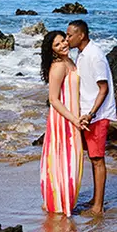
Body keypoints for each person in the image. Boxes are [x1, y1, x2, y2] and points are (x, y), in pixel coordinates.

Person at [65, 19, 116, 215]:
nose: (67, 38)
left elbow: (104, 89)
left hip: (97, 115)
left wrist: (91, 114)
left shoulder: (95, 55)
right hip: (86, 113)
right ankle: (95, 199)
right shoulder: (82, 53)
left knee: (97, 159)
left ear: (82, 35)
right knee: (92, 158)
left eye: (70, 35)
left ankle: (98, 207)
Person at [39, 30, 86, 215]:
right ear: (52, 50)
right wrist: (74, 119)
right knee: (64, 159)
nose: (63, 45)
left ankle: (64, 200)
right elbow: (53, 99)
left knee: (71, 159)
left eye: (63, 41)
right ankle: (58, 204)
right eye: (57, 45)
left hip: (72, 117)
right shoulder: (58, 65)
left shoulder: (69, 61)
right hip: (64, 120)